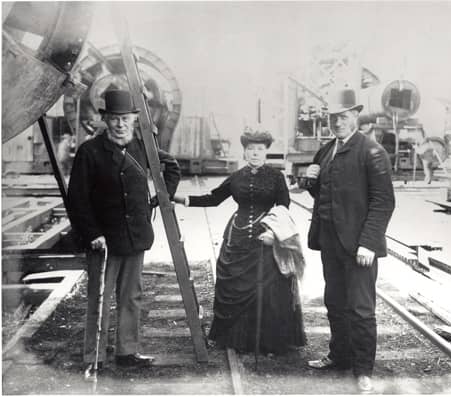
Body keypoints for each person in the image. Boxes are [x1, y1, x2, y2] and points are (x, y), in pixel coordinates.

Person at [67, 90, 181, 371]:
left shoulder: (143, 148)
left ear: (133, 120)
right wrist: (92, 233)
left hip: (135, 237)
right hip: (103, 242)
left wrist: (158, 199)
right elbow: (77, 199)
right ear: (104, 120)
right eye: (114, 119)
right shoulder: (89, 151)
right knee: (100, 298)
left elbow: (172, 167)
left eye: (125, 118)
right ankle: (93, 356)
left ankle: (127, 352)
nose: (119, 124)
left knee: (132, 297)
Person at [174, 129, 306, 354]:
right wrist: (177, 198)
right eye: (251, 149)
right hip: (237, 237)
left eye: (260, 149)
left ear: (266, 152)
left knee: (269, 289)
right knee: (233, 286)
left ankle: (269, 342)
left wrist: (274, 234)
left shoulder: (276, 177)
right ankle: (236, 339)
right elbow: (214, 199)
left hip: (266, 238)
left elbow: (283, 206)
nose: (255, 153)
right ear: (244, 152)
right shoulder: (236, 177)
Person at [304, 89, 395, 393]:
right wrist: (311, 183)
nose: (337, 123)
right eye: (332, 118)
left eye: (342, 117)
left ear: (355, 116)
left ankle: (363, 370)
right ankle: (339, 357)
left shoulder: (372, 151)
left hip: (359, 247)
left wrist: (369, 243)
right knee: (335, 303)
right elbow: (324, 194)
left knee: (361, 309)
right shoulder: (327, 150)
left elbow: (383, 202)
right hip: (330, 242)